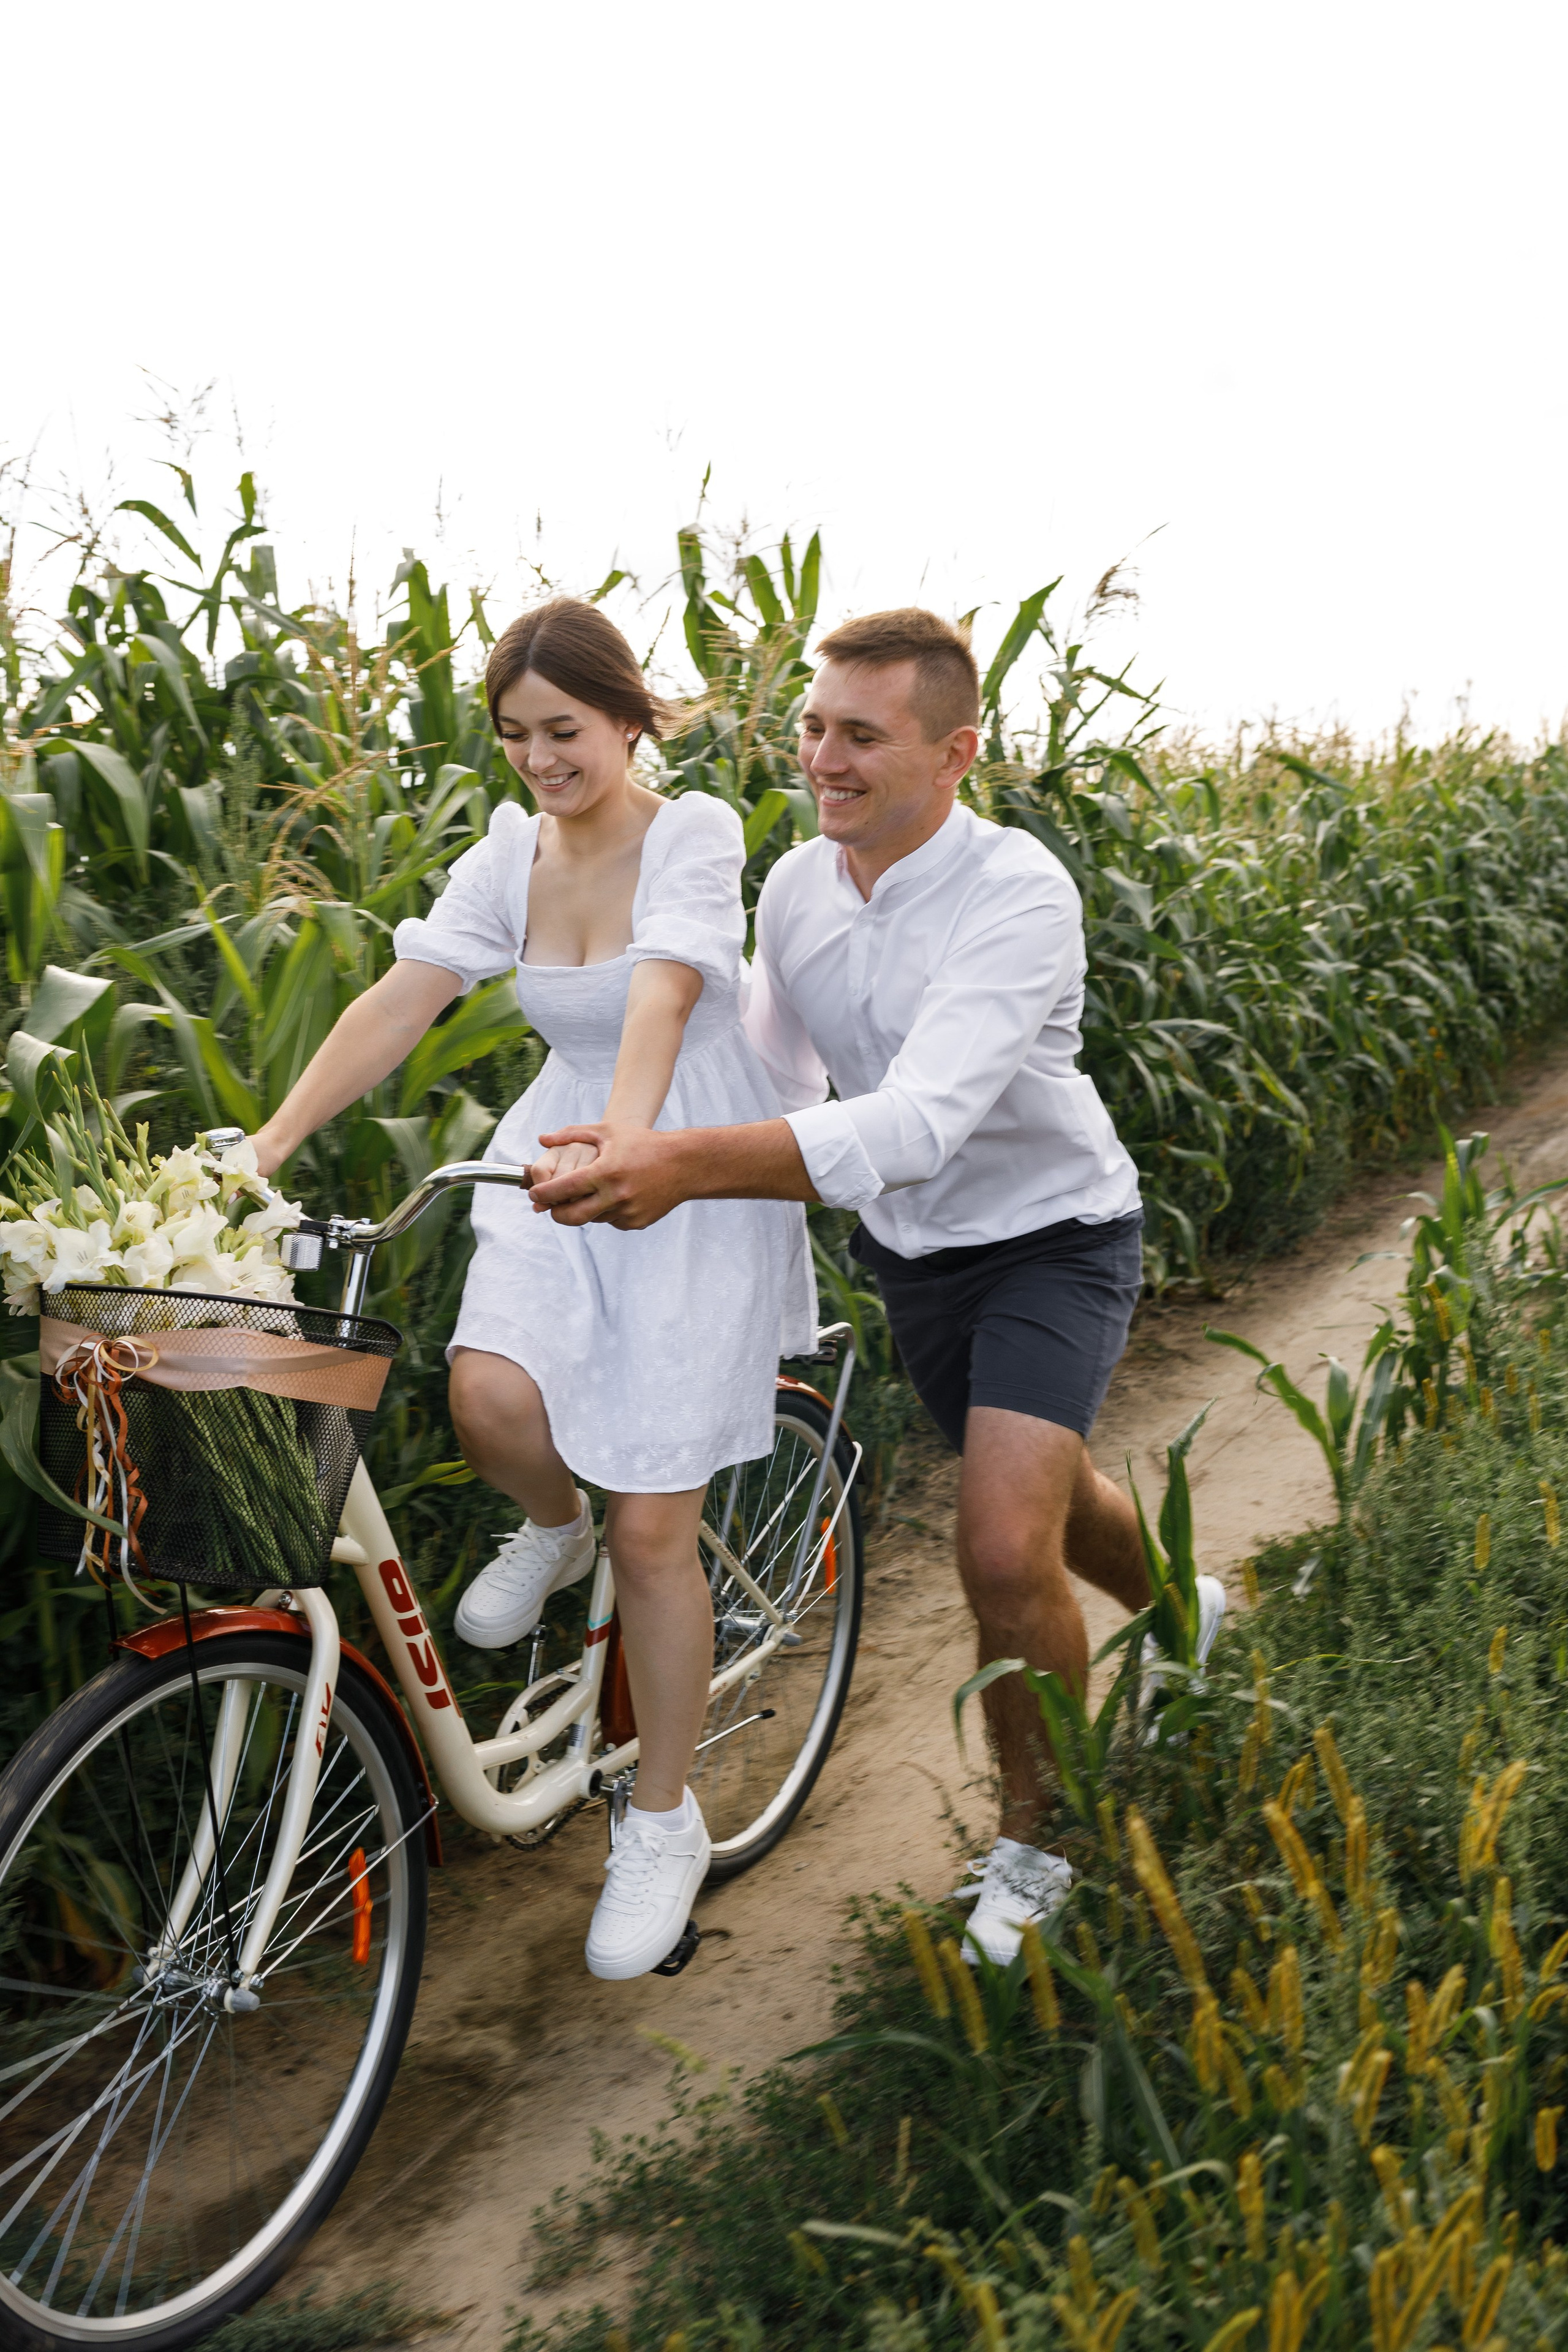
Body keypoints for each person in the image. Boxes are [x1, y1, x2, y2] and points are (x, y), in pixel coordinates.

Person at [526, 606, 1226, 1964]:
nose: (822, 758)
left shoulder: (1015, 893)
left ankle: (1037, 1844)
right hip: (914, 1258)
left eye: (859, 734)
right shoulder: (794, 888)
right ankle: (1185, 1607)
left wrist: (684, 1166)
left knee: (999, 1546)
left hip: (1050, 1237)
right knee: (1040, 1487)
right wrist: (619, 1144)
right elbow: (782, 1083)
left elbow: (916, 1123)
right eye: (809, 727)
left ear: (955, 750)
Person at [250, 597, 815, 1981]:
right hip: (557, 1141)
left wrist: (631, 1143)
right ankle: (548, 1523)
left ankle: (664, 1822)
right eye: (513, 735)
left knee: (655, 1534)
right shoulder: (509, 855)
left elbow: (667, 992)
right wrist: (263, 1145)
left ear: (627, 717)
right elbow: (407, 993)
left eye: (562, 729)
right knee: (488, 1395)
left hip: (674, 1154)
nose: (539, 759)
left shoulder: (690, 833)